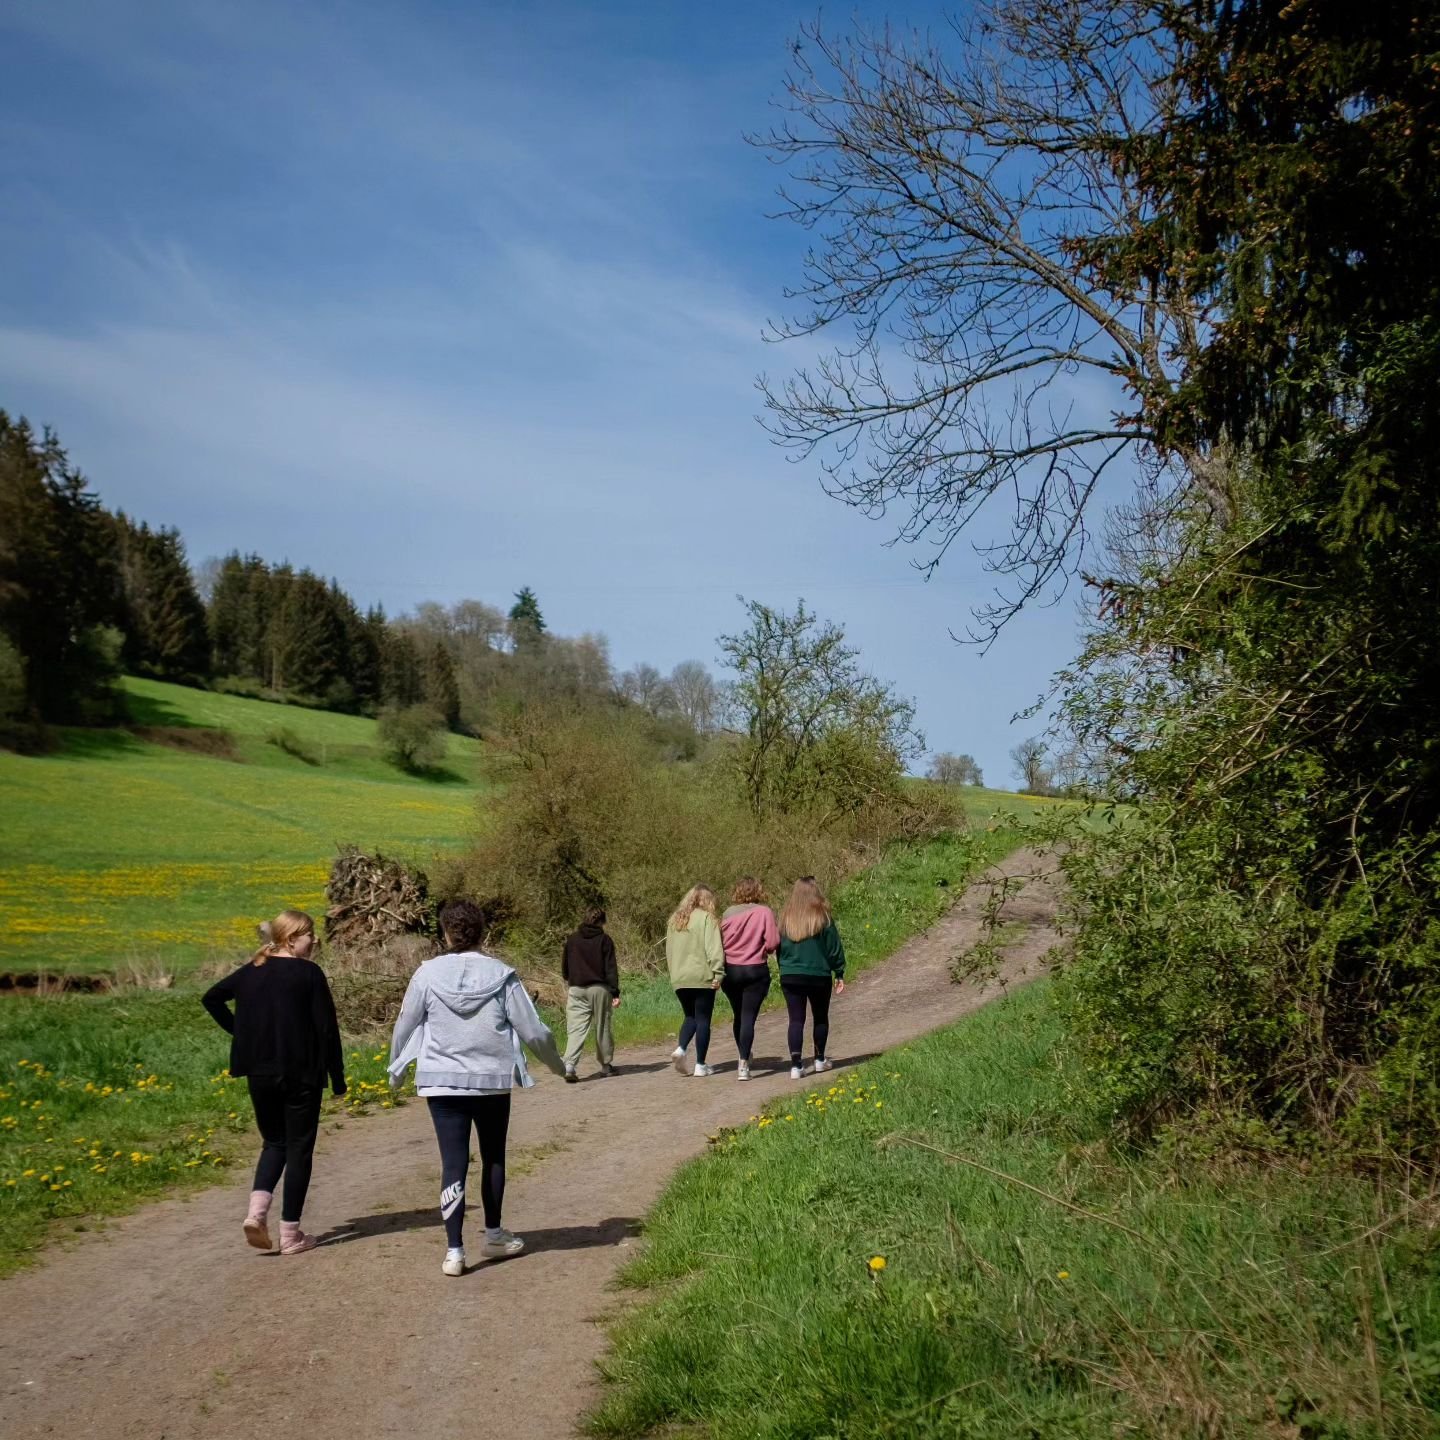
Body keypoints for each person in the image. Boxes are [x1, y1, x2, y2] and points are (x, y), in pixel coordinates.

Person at [388, 899, 565, 1277]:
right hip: (490, 1081)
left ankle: (454, 1251)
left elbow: (405, 1023)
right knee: (493, 1157)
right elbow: (532, 1030)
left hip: (441, 1080)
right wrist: (557, 1065)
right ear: (482, 931)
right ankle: (495, 1234)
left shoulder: (426, 974)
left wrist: (396, 1069)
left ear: (445, 932)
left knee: (453, 1163)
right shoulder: (502, 975)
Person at [202, 909, 345, 1256]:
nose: (315, 941)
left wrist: (244, 1034)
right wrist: (337, 1077)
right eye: (310, 935)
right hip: (301, 1074)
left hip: (259, 1071)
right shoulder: (309, 974)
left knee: (273, 1143)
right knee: (298, 1149)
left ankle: (256, 1214)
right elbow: (326, 1029)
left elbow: (212, 998)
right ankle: (291, 1235)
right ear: (293, 936)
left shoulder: (254, 970)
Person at [777, 877, 846, 1079]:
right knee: (820, 1017)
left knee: (796, 1020)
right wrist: (839, 971)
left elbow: (778, 947)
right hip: (818, 974)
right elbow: (833, 948)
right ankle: (819, 1059)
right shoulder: (823, 916)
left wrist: (784, 968)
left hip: (790, 974)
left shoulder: (786, 918)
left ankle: (796, 1066)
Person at [719, 876, 779, 1082]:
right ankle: (743, 1062)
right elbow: (772, 943)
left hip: (731, 971)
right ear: (758, 891)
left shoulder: (727, 913)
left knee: (738, 1015)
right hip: (755, 969)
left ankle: (743, 1054)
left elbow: (720, 942)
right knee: (748, 1017)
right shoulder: (765, 912)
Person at [664, 883, 723, 1077]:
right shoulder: (707, 918)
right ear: (708, 900)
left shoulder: (674, 920)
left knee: (690, 1016)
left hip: (680, 977)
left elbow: (669, 951)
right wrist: (718, 973)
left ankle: (681, 1048)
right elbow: (713, 947)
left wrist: (674, 974)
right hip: (701, 976)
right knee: (703, 1019)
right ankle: (700, 1064)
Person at [561, 906, 621, 1082]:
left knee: (576, 1028)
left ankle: (569, 1065)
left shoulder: (572, 940)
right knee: (602, 1027)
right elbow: (611, 969)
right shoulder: (604, 940)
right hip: (599, 989)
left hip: (576, 988)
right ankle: (605, 1066)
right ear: (602, 922)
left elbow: (565, 967)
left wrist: (570, 977)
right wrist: (615, 992)